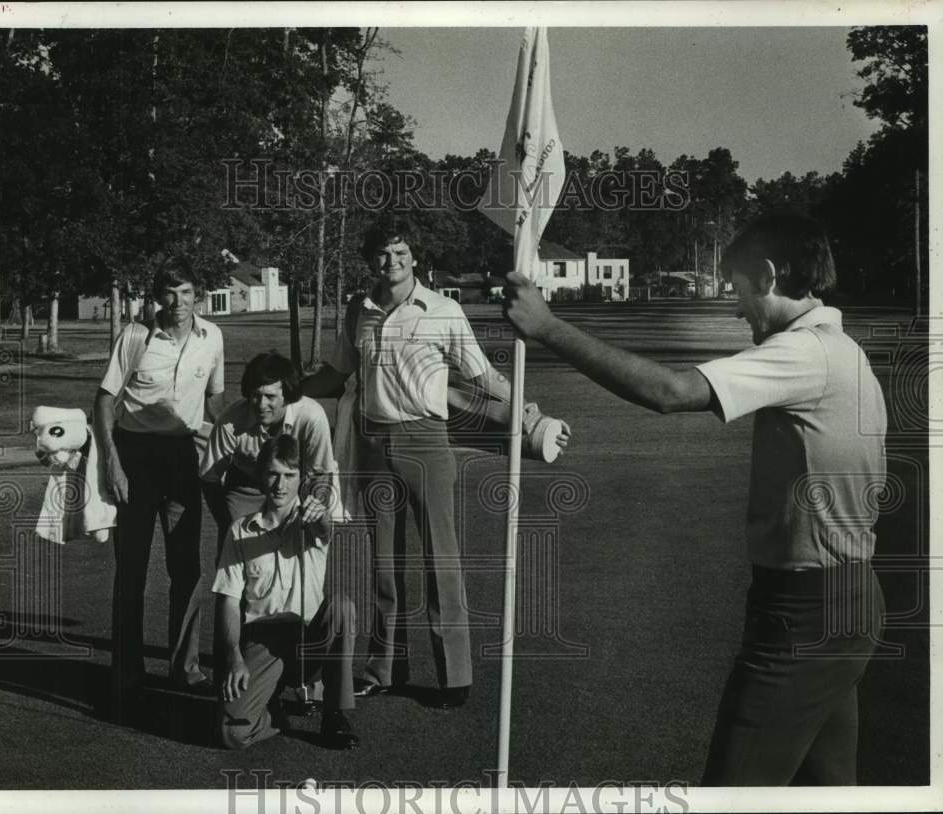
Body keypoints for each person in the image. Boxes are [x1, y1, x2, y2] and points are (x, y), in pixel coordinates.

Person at [502, 212, 887, 786]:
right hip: (843, 603)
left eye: (737, 290)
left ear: (768, 275)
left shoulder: (806, 352)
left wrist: (549, 328)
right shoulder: (841, 349)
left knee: (730, 793)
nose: (735, 309)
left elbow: (670, 391)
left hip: (805, 615)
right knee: (828, 793)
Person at [302, 218, 570, 708]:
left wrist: (531, 414)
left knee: (439, 563)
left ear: (413, 257)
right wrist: (293, 388)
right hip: (371, 444)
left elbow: (483, 376)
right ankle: (383, 669)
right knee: (385, 565)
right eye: (383, 254)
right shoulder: (357, 310)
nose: (392, 262)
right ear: (371, 261)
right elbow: (339, 372)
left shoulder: (443, 309)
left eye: (400, 252)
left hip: (425, 441)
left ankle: (454, 676)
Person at [93, 263, 225, 720]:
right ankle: (127, 674)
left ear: (198, 295)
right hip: (135, 456)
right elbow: (106, 399)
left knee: (187, 568)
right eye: (169, 294)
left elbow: (214, 402)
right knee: (131, 570)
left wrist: (222, 457)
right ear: (156, 299)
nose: (178, 303)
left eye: (186, 292)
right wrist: (111, 461)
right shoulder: (134, 336)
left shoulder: (213, 337)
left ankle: (184, 668)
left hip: (184, 458)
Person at [213, 434, 358, 750]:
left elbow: (324, 530)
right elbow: (228, 601)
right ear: (261, 475)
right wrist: (235, 658)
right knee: (232, 733)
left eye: (290, 475)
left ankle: (335, 713)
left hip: (310, 637)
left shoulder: (312, 518)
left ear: (301, 479)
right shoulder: (239, 530)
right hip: (263, 641)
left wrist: (320, 517)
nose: (280, 484)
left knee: (341, 607)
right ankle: (272, 712)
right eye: (273, 474)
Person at [201, 350, 339, 561]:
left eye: (270, 397)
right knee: (239, 558)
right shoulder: (230, 420)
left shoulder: (312, 417)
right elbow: (209, 478)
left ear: (287, 396)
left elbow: (321, 473)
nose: (261, 404)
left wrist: (314, 505)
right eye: (256, 395)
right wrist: (228, 524)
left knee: (296, 558)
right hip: (246, 487)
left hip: (298, 485)